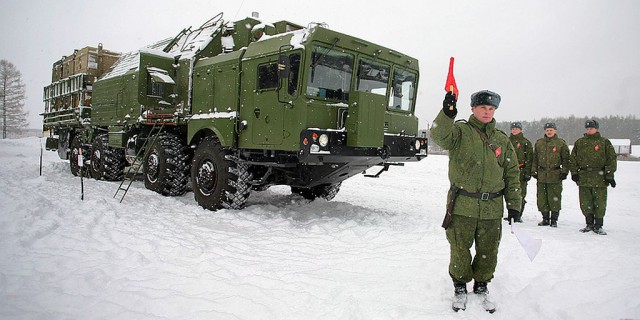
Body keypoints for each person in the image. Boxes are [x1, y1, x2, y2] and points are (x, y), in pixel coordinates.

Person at [431, 90, 521, 313]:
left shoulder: (501, 139)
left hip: (492, 207)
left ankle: (481, 287)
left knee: (488, 250)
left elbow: (511, 173)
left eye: (491, 109)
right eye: (483, 108)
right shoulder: (460, 132)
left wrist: (514, 204)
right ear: (472, 109)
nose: (487, 112)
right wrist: (447, 113)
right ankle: (460, 287)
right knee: (460, 248)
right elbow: (439, 136)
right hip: (463, 204)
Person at [569, 119, 617, 235]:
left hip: (599, 178)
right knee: (586, 202)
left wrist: (609, 175)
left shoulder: (604, 142)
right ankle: (589, 223)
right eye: (588, 128)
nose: (589, 130)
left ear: (597, 129)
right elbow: (573, 159)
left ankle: (598, 225)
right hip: (584, 177)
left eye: (592, 128)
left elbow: (611, 159)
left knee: (599, 202)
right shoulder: (580, 143)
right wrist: (574, 173)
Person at [531, 122, 570, 227]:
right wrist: (533, 171)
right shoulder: (539, 143)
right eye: (547, 130)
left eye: (551, 130)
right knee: (542, 198)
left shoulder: (560, 143)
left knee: (554, 197)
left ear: (555, 131)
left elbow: (566, 160)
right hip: (542, 175)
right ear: (545, 131)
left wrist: (565, 171)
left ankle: (554, 219)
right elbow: (534, 159)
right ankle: (545, 218)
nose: (549, 132)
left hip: (555, 174)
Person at [508, 121, 533, 221]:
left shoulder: (525, 142)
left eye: (516, 129)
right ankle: (511, 213)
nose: (514, 130)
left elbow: (530, 159)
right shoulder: (507, 141)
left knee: (520, 194)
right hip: (509, 171)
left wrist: (528, 172)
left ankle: (518, 214)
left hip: (521, 170)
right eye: (513, 129)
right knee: (510, 192)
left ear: (521, 130)